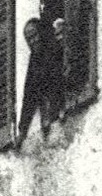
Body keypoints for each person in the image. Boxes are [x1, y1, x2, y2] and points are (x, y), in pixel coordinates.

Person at [14, 16, 64, 149]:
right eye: (29, 39)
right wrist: (23, 131)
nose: (32, 41)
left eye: (34, 36)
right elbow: (29, 95)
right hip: (48, 121)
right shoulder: (34, 60)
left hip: (60, 112)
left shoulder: (56, 48)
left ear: (42, 32)